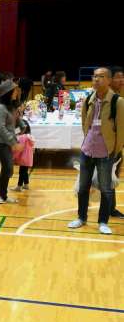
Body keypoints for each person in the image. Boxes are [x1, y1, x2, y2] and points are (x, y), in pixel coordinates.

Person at [68, 67, 124, 235]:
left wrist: (114, 151)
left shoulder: (117, 102)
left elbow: (121, 130)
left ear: (109, 80)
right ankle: (81, 217)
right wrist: (88, 140)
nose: (96, 79)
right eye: (94, 76)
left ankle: (103, 221)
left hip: (106, 153)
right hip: (87, 150)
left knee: (106, 189)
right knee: (83, 187)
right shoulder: (88, 99)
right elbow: (85, 123)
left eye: (101, 76)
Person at [0, 79, 23, 204]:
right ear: (8, 92)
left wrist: (22, 126)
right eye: (14, 90)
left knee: (7, 170)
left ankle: (2, 195)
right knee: (8, 169)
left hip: (7, 143)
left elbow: (15, 122)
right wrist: (13, 142)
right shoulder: (1, 108)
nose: (16, 92)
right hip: (0, 143)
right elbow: (0, 128)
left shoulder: (11, 107)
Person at [109, 65, 124, 218]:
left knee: (112, 178)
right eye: (118, 77)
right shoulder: (110, 98)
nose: (122, 80)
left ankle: (110, 208)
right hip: (110, 148)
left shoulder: (117, 97)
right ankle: (108, 210)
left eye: (123, 77)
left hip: (117, 147)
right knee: (108, 179)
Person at [12, 121, 35, 191]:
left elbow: (19, 149)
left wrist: (14, 157)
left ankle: (19, 186)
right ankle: (26, 184)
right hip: (28, 158)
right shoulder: (30, 136)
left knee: (22, 172)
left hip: (23, 157)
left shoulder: (22, 137)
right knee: (25, 171)